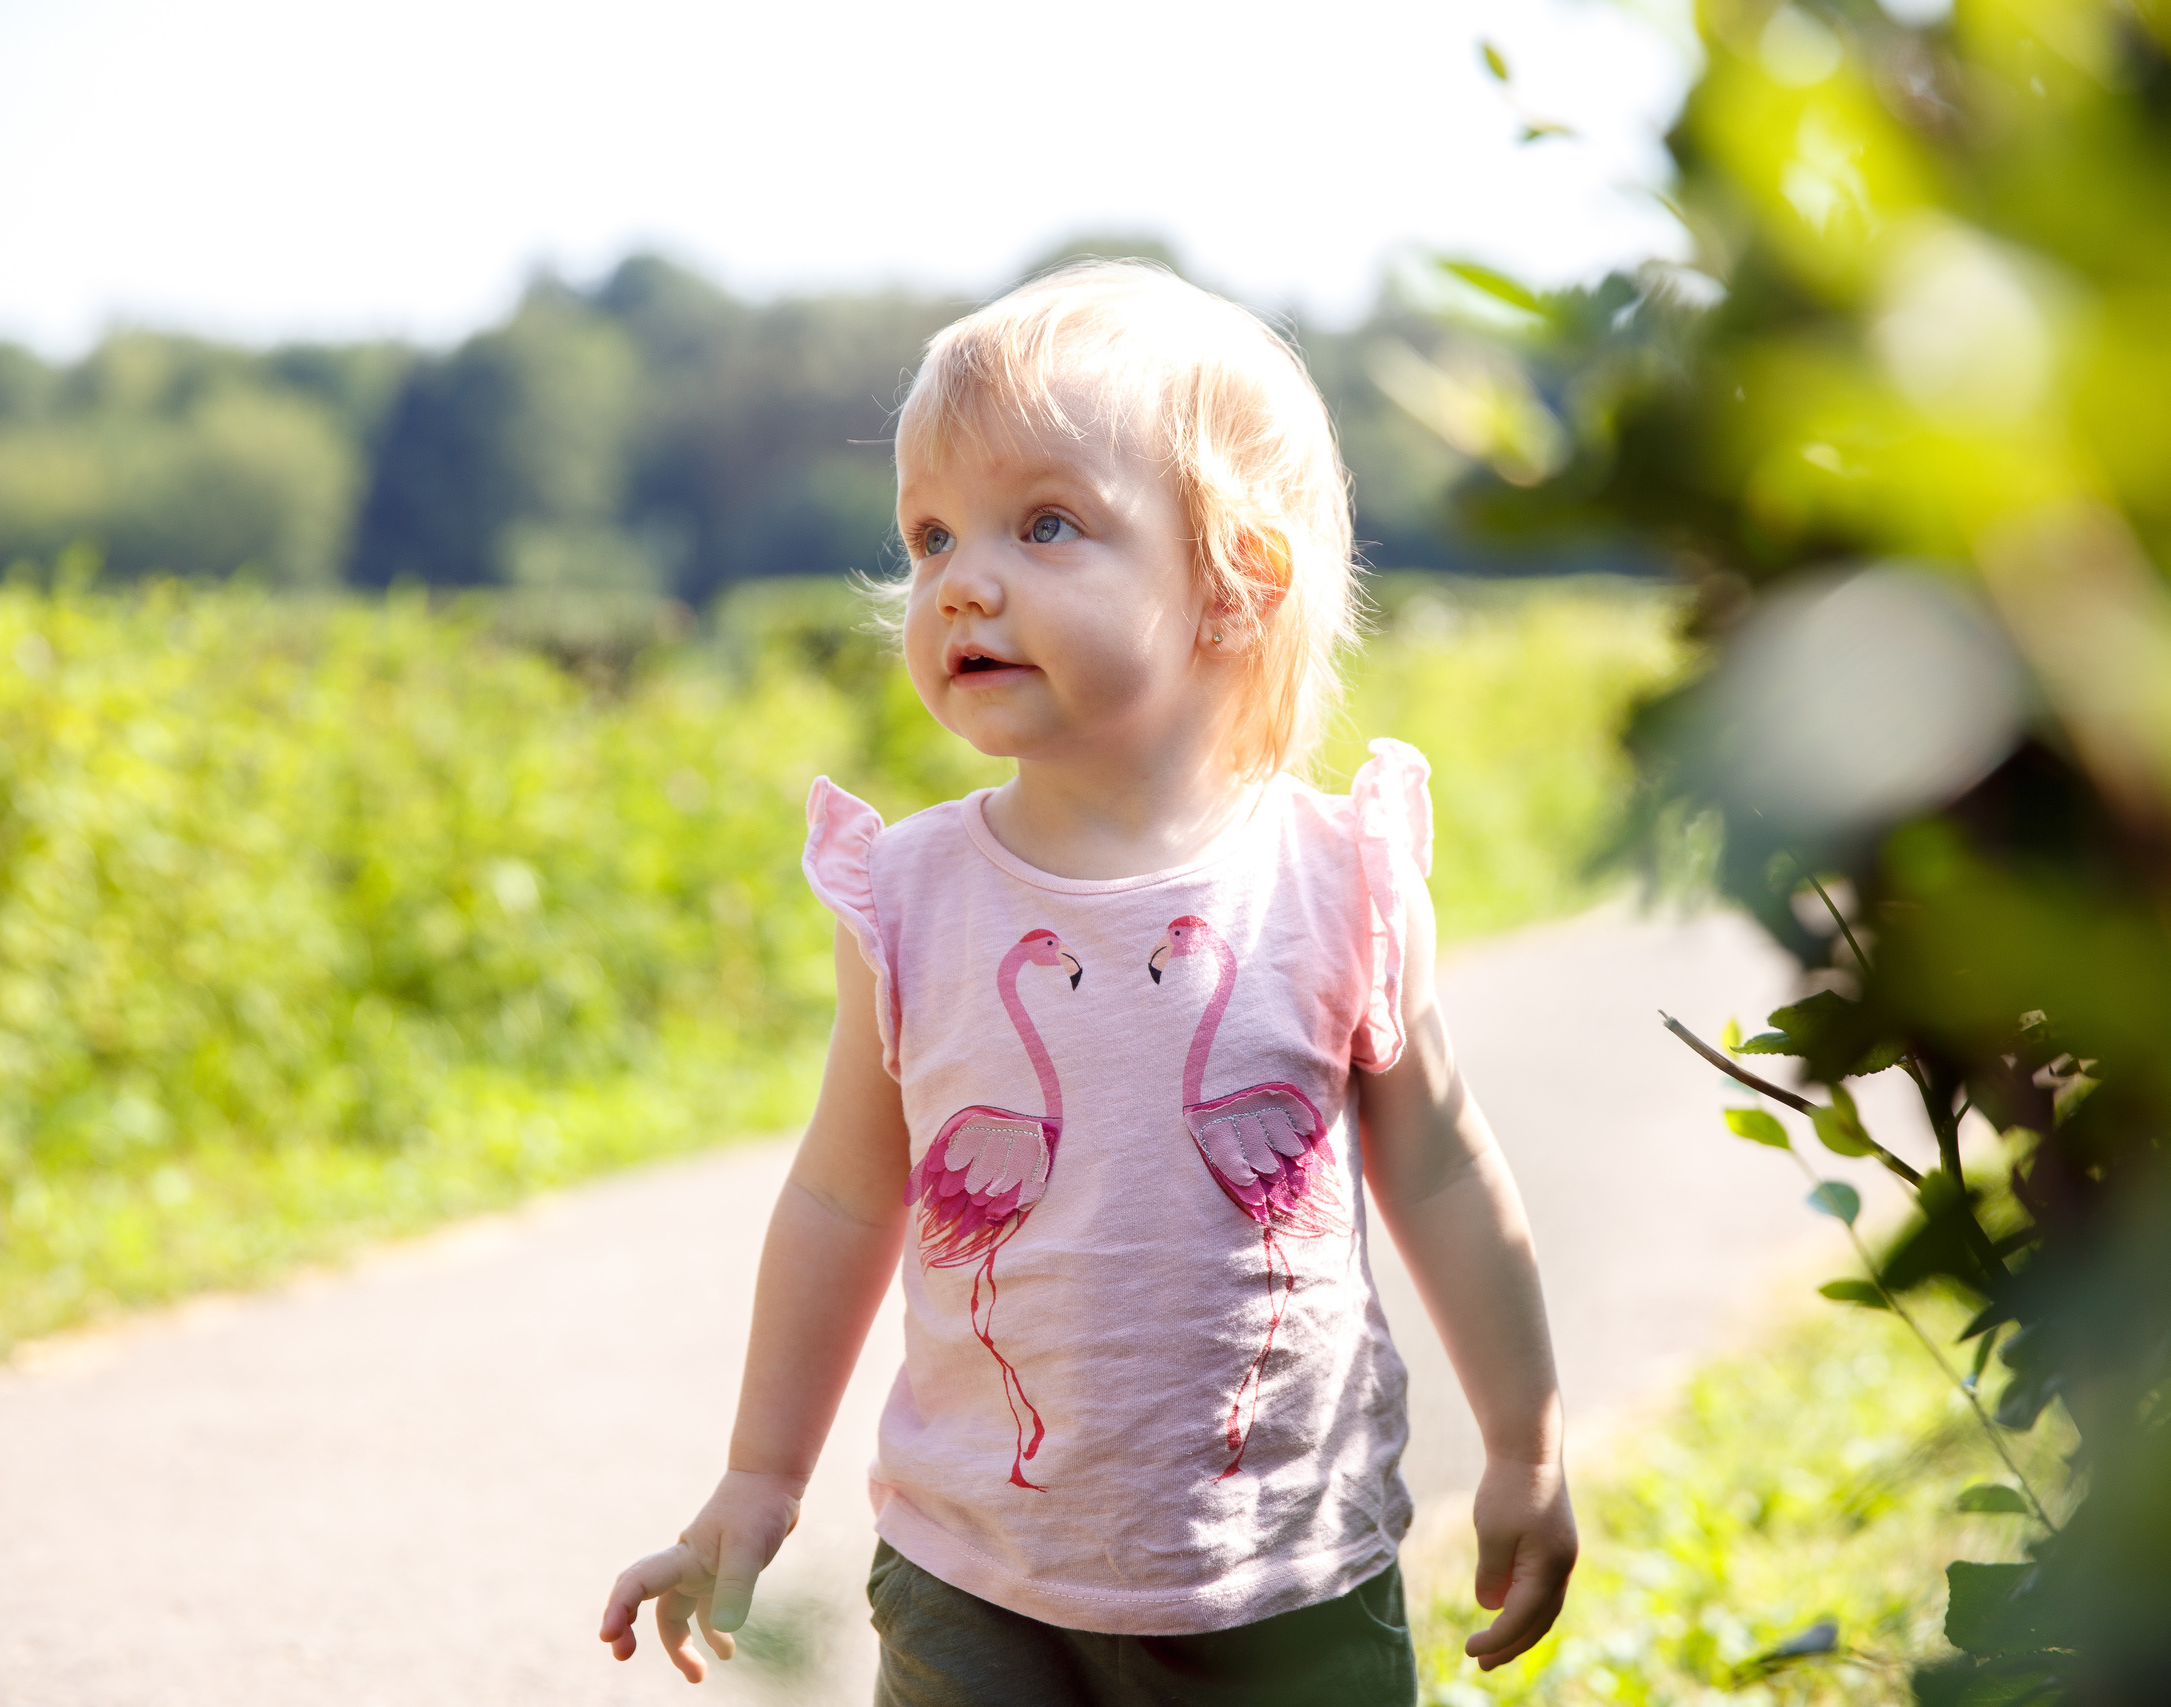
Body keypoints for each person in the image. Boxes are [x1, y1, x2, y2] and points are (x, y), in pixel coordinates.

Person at [598, 261, 1574, 1704]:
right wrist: (759, 1476)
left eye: (1045, 523)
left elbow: (1440, 1168)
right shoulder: (910, 899)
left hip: (1287, 1584)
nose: (962, 581)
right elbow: (844, 1195)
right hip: (974, 1582)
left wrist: (1525, 1444)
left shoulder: (1338, 882)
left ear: (1234, 582)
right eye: (930, 535)